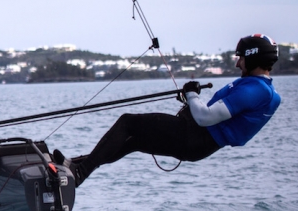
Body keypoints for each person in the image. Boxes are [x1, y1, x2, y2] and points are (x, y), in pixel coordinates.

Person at [57, 34, 282, 187]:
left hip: (195, 136)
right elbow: (210, 114)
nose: (237, 64)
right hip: (199, 143)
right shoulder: (263, 90)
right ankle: (77, 166)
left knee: (128, 123)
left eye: (241, 58)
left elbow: (205, 117)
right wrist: (191, 101)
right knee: (134, 141)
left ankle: (80, 172)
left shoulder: (256, 90)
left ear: (253, 56)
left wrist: (192, 94)